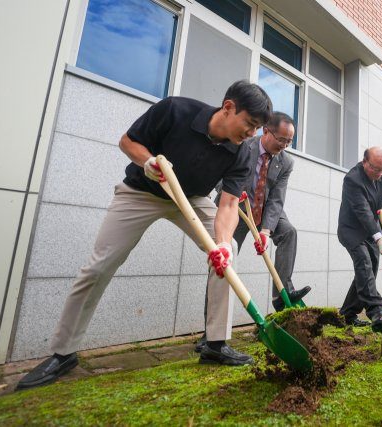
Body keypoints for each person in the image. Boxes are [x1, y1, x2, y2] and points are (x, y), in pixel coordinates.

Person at [16, 80, 273, 391]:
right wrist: (147, 161)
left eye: (257, 129)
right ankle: (63, 352)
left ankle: (215, 344)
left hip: (190, 200)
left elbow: (229, 204)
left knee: (227, 252)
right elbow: (127, 142)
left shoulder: (242, 151)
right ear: (229, 107)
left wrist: (221, 244)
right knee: (98, 267)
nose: (252, 135)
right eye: (250, 124)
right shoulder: (175, 110)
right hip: (142, 191)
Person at [195, 112, 311, 351]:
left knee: (288, 232)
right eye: (281, 139)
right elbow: (219, 176)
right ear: (266, 131)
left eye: (289, 142)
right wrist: (232, 193)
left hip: (265, 209)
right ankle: (211, 332)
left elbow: (277, 199)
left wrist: (266, 230)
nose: (285, 146)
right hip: (234, 207)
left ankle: (282, 295)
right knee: (224, 262)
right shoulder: (241, 146)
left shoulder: (286, 162)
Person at [337, 146, 382, 332]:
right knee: (364, 263)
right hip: (351, 230)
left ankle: (348, 313)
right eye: (376, 169)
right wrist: (379, 238)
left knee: (369, 271)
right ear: (365, 162)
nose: (381, 174)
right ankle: (376, 311)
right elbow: (363, 212)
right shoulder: (352, 180)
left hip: (372, 229)